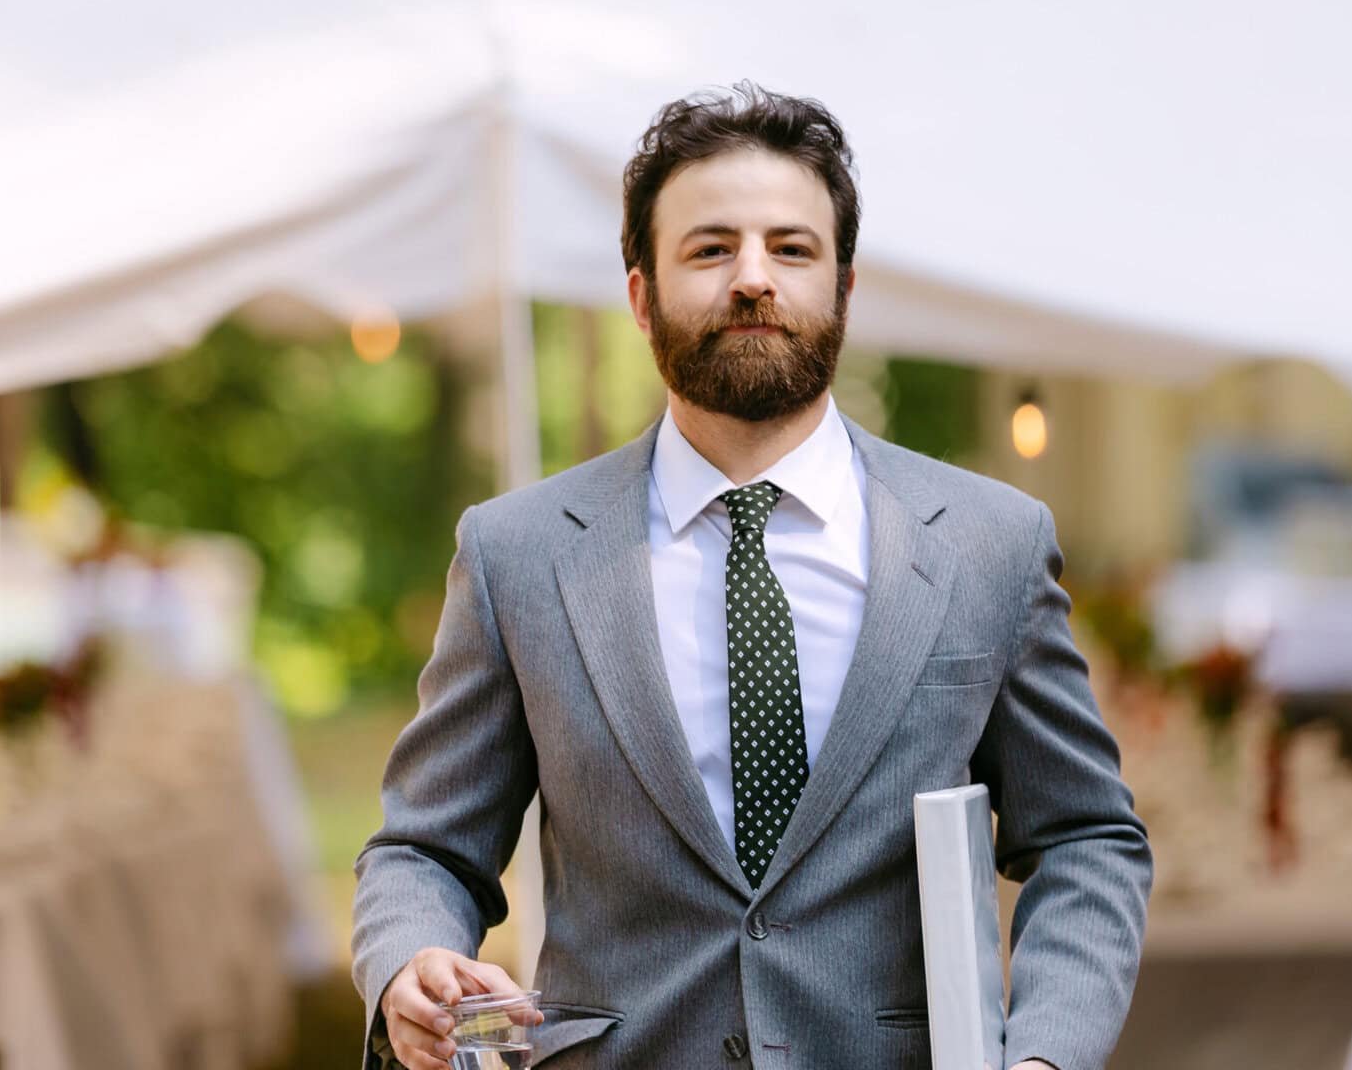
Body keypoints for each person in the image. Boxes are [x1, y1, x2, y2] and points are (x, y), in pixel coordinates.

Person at [352, 84, 1152, 1070]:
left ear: (844, 290)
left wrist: (1044, 1058)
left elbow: (1084, 839)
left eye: (791, 248)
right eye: (709, 248)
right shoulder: (517, 552)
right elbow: (426, 847)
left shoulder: (992, 541)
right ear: (642, 295)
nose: (752, 279)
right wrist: (408, 960)